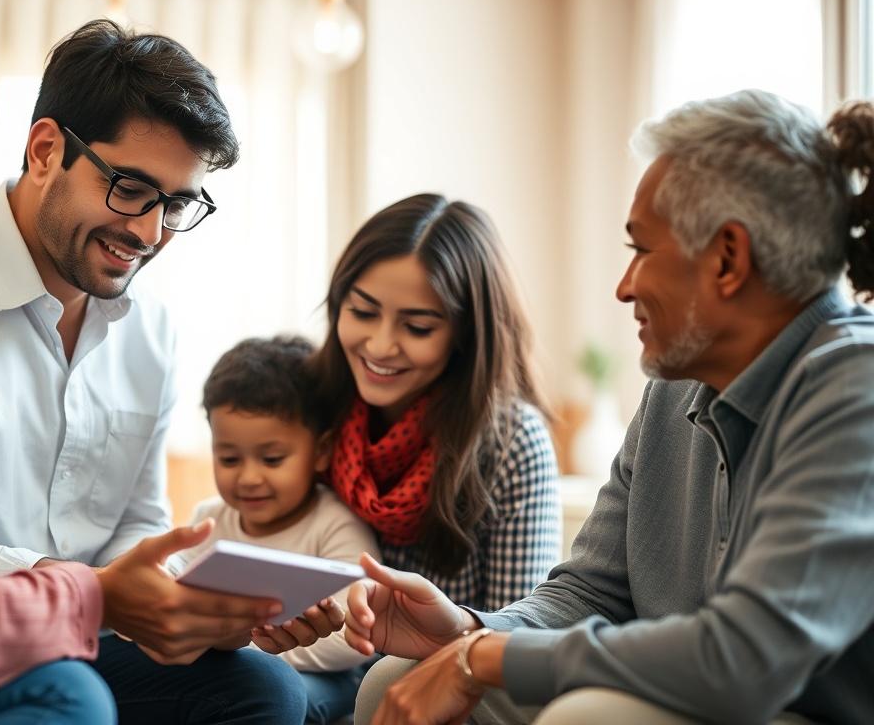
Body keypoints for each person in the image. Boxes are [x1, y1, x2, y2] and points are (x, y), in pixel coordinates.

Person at [347, 90, 874, 725]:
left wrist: (481, 658)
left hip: (787, 707)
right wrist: (466, 630)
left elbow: (742, 659)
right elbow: (590, 592)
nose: (625, 287)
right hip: (687, 692)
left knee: (590, 717)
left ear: (728, 259)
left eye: (640, 250)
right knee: (395, 680)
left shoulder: (856, 387)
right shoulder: (674, 388)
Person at [0, 0, 286, 725]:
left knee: (265, 687)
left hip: (61, 625)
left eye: (176, 205)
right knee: (70, 692)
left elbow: (140, 521)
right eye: (130, 189)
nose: (149, 232)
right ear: (46, 149)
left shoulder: (150, 329)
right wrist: (98, 594)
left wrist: (181, 600)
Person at [310, 194, 561, 614]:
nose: (381, 345)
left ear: (465, 334)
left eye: (418, 327)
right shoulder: (311, 403)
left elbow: (515, 636)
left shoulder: (512, 442)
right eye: (362, 312)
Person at [167, 335, 380, 723]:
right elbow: (172, 576)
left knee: (286, 698)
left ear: (320, 451)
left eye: (272, 458)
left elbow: (355, 637)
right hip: (233, 670)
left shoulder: (335, 525)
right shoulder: (209, 519)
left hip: (328, 679)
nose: (249, 478)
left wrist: (248, 650)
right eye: (229, 458)